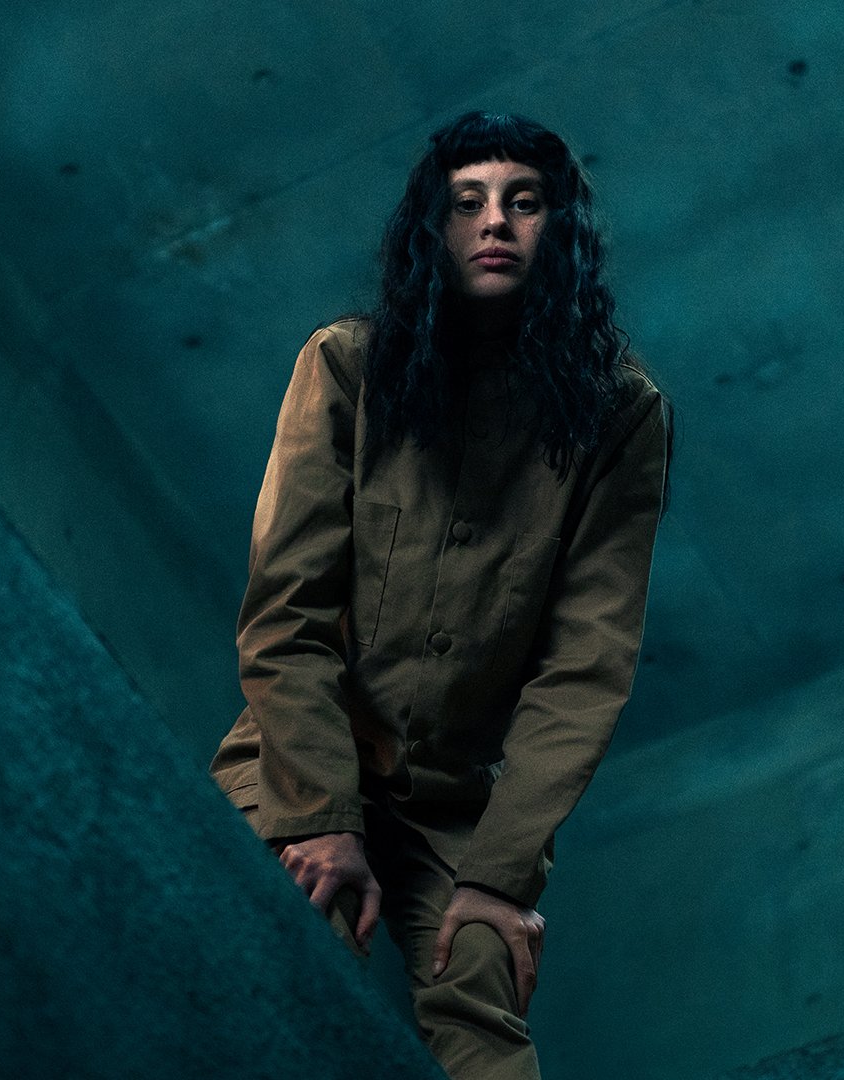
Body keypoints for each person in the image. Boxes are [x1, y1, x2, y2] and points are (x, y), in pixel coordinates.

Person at [208, 110, 671, 1080]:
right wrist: (323, 813)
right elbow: (285, 613)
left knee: (484, 1009)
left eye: (525, 202)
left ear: (564, 231)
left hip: (458, 808)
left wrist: (501, 879)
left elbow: (585, 672)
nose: (496, 222)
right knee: (294, 937)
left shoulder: (621, 418)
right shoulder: (345, 366)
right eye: (468, 203)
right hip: (296, 755)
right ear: (436, 229)